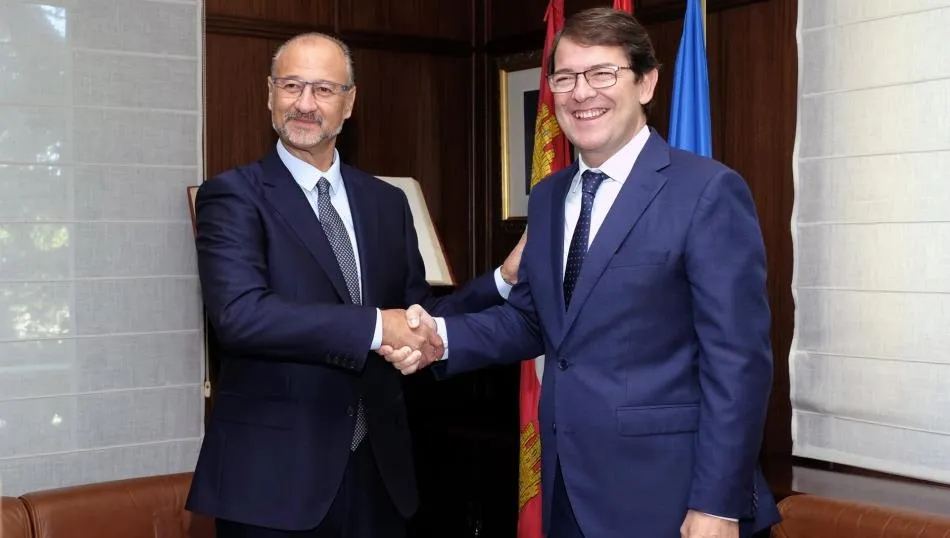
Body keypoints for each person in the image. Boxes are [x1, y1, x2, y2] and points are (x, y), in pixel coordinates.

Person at [380, 7, 781, 538]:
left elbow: (738, 364)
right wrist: (441, 337)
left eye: (602, 74)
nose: (581, 92)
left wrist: (718, 505)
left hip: (672, 497)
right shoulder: (548, 197)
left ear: (647, 83)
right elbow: (534, 321)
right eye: (565, 77)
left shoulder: (706, 191)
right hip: (567, 487)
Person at [185, 32, 523, 538]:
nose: (304, 103)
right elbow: (241, 317)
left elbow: (416, 312)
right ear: (269, 94)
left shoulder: (386, 202)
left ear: (350, 102)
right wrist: (375, 328)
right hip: (273, 484)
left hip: (378, 475)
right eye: (291, 86)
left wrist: (502, 279)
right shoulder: (232, 197)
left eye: (323, 89)